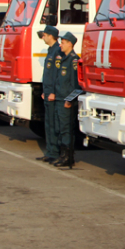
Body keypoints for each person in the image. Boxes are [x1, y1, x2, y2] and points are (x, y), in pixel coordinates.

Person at [52, 31, 80, 168]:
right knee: (59, 127)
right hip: (59, 98)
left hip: (66, 101)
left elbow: (76, 84)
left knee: (66, 129)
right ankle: (62, 155)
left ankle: (68, 157)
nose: (60, 45)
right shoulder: (62, 58)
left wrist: (70, 100)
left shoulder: (74, 60)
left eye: (63, 43)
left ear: (70, 44)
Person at [37, 25, 61, 163]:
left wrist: (52, 92)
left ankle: (55, 152)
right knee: (48, 124)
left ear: (51, 35)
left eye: (44, 35)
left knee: (54, 123)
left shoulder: (57, 51)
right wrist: (44, 91)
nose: (43, 37)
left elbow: (57, 75)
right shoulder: (51, 50)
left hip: (52, 94)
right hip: (47, 93)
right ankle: (50, 151)